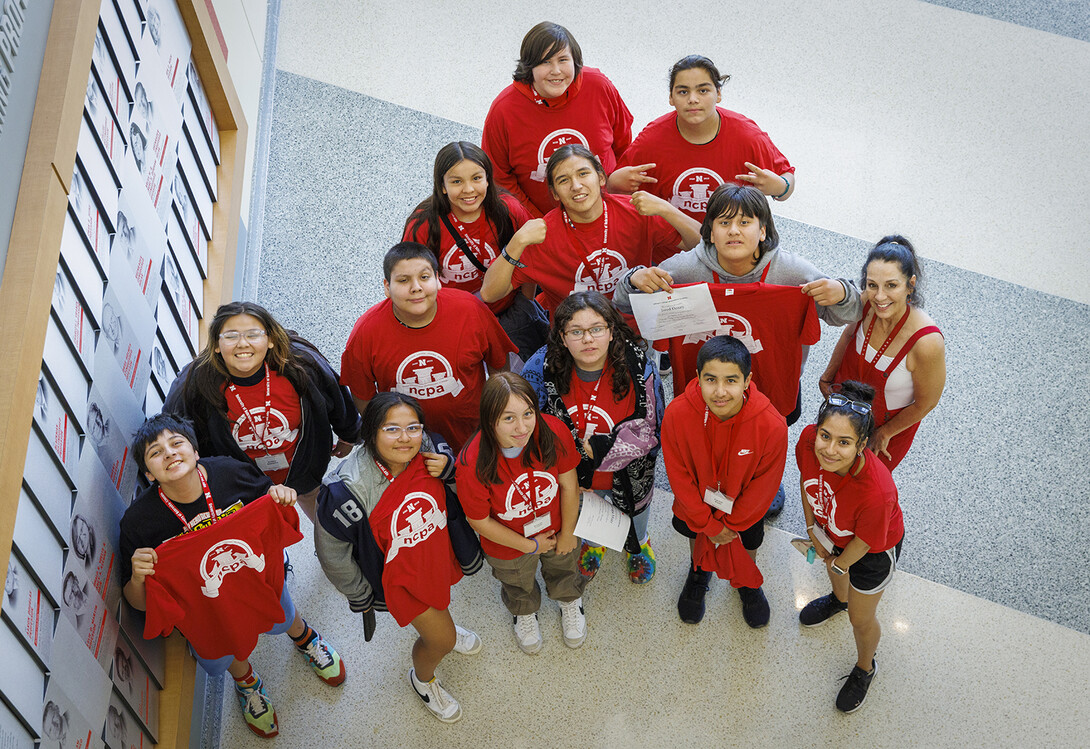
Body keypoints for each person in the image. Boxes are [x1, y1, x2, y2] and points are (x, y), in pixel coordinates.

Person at [614, 183, 862, 515]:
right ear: (710, 232)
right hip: (707, 388)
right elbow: (623, 303)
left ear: (763, 230)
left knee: (764, 445)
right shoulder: (685, 270)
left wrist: (842, 292)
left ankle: (766, 480)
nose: (734, 231)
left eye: (745, 222)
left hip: (773, 385)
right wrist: (634, 280)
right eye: (724, 222)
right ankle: (712, 484)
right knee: (709, 444)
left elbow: (849, 312)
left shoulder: (792, 274)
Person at [119, 413, 346, 739]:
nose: (168, 453)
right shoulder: (139, 524)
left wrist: (280, 498)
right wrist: (139, 577)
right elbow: (138, 603)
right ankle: (247, 681)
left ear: (196, 452)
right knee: (223, 647)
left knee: (282, 614)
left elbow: (270, 510)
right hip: (208, 607)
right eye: (155, 452)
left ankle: (305, 637)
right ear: (147, 473)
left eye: (176, 443)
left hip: (256, 579)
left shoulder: (229, 472)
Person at [315, 393, 483, 723]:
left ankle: (440, 621)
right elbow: (332, 553)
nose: (405, 438)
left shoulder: (432, 450)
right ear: (371, 432)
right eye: (392, 429)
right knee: (442, 640)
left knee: (440, 604)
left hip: (432, 551)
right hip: (400, 576)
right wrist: (359, 593)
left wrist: (450, 471)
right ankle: (423, 679)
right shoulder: (347, 489)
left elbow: (462, 492)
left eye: (413, 427)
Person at [165, 301, 361, 524]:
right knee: (259, 528)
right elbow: (173, 429)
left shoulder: (301, 364)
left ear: (270, 339)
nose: (242, 344)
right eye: (230, 336)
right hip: (242, 481)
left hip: (303, 467)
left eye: (253, 334)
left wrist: (349, 434)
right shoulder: (195, 382)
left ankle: (328, 544)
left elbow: (335, 393)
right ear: (216, 344)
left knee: (320, 512)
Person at [521, 291, 663, 583]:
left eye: (596, 329)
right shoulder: (540, 368)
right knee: (589, 513)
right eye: (576, 331)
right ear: (561, 337)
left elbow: (652, 427)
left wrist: (600, 449)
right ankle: (595, 544)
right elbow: (527, 424)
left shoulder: (641, 367)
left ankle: (638, 544)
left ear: (611, 332)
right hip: (572, 476)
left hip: (629, 473)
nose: (587, 339)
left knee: (636, 513)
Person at [480, 144, 702, 316]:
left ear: (602, 178)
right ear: (555, 193)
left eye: (583, 174)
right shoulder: (543, 235)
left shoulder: (635, 212)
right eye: (563, 180)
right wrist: (517, 242)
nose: (576, 186)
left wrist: (667, 209)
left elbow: (703, 246)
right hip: (574, 342)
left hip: (635, 328)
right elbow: (490, 293)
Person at [456, 373, 587, 654]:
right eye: (508, 418)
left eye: (528, 413)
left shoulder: (552, 431)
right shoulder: (472, 462)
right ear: (489, 420)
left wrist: (567, 534)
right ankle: (524, 611)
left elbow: (568, 485)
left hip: (557, 525)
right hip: (508, 543)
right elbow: (479, 520)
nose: (522, 427)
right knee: (516, 581)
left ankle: (569, 599)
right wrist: (531, 546)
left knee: (564, 566)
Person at [341, 241, 516, 453]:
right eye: (403, 280)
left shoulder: (470, 309)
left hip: (475, 440)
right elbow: (363, 396)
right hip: (408, 449)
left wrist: (496, 416)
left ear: (438, 279)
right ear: (387, 287)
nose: (416, 287)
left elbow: (499, 363)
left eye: (424, 277)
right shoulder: (365, 333)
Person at [661, 336, 787, 627]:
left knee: (749, 538)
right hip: (696, 507)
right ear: (698, 378)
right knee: (694, 532)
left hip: (744, 513)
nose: (720, 391)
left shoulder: (772, 425)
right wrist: (709, 525)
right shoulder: (677, 414)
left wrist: (728, 526)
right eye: (710, 379)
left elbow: (764, 486)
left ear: (747, 380)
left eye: (731, 380)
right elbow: (678, 475)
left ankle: (746, 580)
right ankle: (698, 570)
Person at [796, 382, 905, 713]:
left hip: (871, 552)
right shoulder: (807, 443)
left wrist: (840, 563)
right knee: (836, 579)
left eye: (844, 442)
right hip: (832, 528)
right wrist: (813, 528)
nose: (829, 449)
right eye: (825, 436)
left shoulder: (876, 491)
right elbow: (807, 484)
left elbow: (866, 541)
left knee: (861, 619)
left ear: (861, 445)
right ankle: (838, 599)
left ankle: (865, 667)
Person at [403, 142, 546, 362]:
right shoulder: (424, 224)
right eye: (456, 181)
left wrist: (525, 301)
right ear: (442, 186)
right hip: (453, 321)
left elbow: (531, 256)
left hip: (507, 312)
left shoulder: (508, 209)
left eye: (477, 178)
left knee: (515, 380)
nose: (468, 189)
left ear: (488, 179)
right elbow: (411, 280)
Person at [610, 55, 795, 222]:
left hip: (732, 252)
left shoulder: (748, 136)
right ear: (671, 98)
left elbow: (787, 180)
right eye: (683, 91)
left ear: (719, 94)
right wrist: (613, 183)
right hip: (668, 253)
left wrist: (780, 187)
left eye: (703, 91)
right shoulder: (651, 141)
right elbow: (616, 192)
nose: (693, 99)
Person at [482, 21, 635, 217]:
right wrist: (537, 222)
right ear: (529, 66)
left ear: (575, 61)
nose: (556, 71)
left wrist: (616, 198)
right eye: (545, 62)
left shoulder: (599, 86)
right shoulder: (503, 110)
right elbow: (499, 177)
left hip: (608, 210)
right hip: (543, 221)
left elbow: (624, 144)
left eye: (563, 60)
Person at [819, 236, 945, 470]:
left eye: (892, 285)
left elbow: (927, 402)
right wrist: (827, 377)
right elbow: (848, 336)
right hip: (842, 412)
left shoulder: (926, 342)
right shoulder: (867, 302)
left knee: (862, 488)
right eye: (872, 284)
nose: (879, 297)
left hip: (884, 434)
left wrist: (885, 432)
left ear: (911, 284)